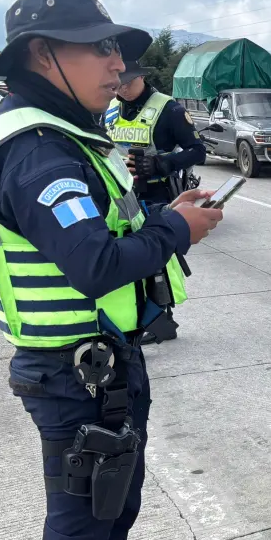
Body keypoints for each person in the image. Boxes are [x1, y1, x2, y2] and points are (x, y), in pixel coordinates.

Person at [0, 0, 222, 540]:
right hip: (71, 372)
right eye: (99, 47)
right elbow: (97, 263)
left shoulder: (62, 138)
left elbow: (104, 232)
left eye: (118, 48)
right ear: (44, 56)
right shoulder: (36, 152)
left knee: (118, 500)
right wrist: (181, 233)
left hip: (102, 362)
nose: (118, 62)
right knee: (78, 524)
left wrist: (166, 214)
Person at [105, 66, 207, 341]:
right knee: (125, 257)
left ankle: (162, 320)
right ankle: (136, 315)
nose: (120, 88)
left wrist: (163, 163)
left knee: (157, 260)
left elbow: (198, 151)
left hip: (155, 194)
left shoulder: (169, 109)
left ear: (141, 76)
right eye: (117, 83)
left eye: (126, 82)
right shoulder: (111, 107)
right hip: (119, 196)